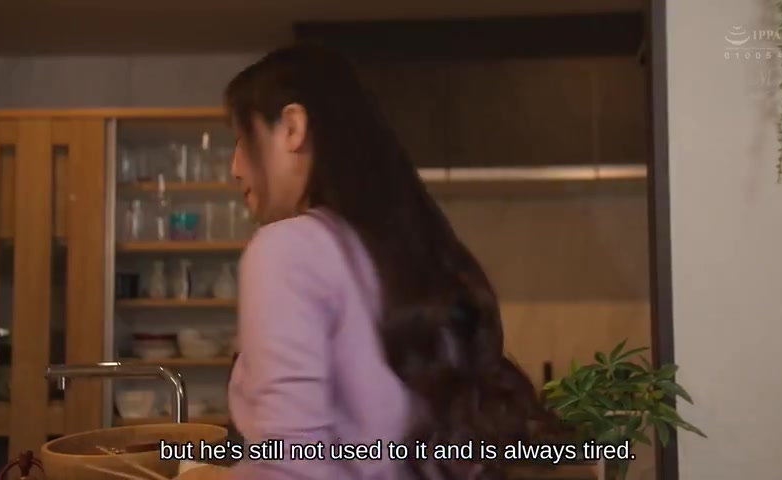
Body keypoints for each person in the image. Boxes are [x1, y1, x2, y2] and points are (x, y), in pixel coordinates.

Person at [176, 44, 536, 480]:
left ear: (292, 127)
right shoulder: (411, 250)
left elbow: (292, 464)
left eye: (241, 139)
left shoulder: (287, 248)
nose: (235, 167)